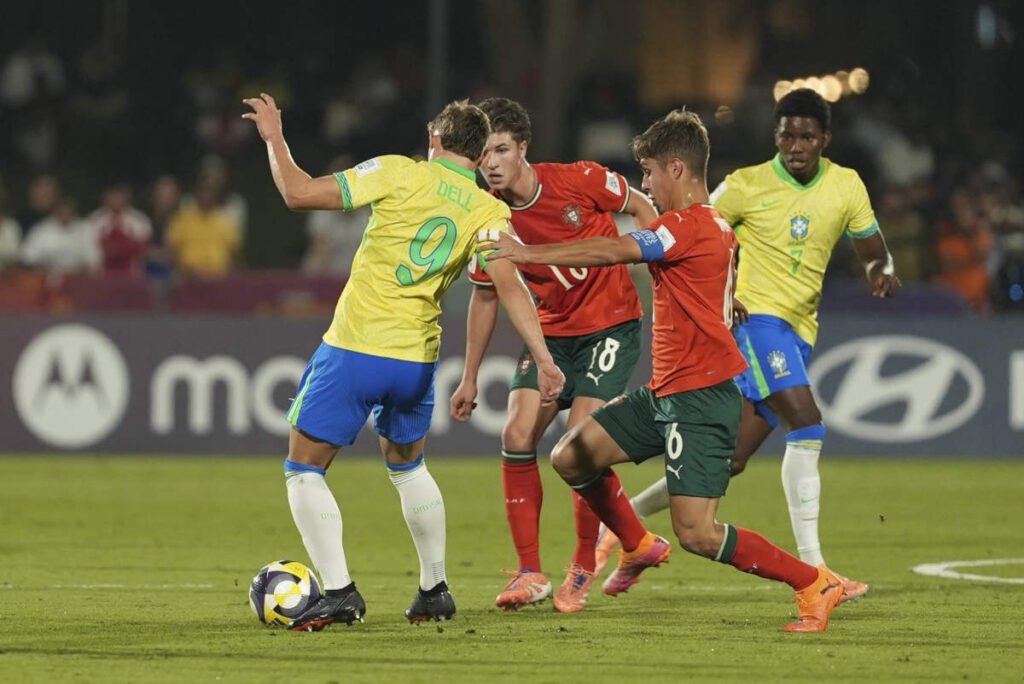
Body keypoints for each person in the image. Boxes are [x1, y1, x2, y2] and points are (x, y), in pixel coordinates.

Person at [479, 109, 846, 632]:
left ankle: (813, 582)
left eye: (649, 172)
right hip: (664, 393)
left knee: (697, 534)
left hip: (701, 399)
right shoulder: (714, 226)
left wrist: (527, 252)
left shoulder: (685, 225)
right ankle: (635, 542)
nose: (645, 185)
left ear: (676, 168)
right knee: (571, 455)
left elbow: (615, 250)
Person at [241, 93, 565, 631]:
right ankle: (434, 588)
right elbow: (510, 285)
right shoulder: (489, 210)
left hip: (357, 346)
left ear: (435, 138)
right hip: (415, 361)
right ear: (479, 153)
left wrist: (275, 138)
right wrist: (545, 358)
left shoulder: (399, 172)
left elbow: (298, 194)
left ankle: (339, 592)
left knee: (303, 470)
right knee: (408, 466)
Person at [593, 89, 900, 605]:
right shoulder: (745, 185)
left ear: (824, 139)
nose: (796, 145)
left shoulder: (846, 185)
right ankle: (818, 571)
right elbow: (703, 232)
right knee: (807, 424)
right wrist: (725, 294)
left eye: (806, 137)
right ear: (775, 136)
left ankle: (623, 527)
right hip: (755, 322)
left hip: (799, 331)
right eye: (786, 135)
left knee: (728, 459)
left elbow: (873, 248)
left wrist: (880, 270)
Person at [449, 97, 656, 614]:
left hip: (611, 327)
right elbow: (485, 296)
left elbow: (641, 207)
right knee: (516, 435)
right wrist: (469, 376)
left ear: (523, 148)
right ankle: (530, 572)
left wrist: (666, 276)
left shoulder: (579, 179)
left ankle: (583, 564)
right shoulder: (487, 216)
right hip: (551, 337)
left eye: (501, 149)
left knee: (580, 446)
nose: (491, 163)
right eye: (483, 154)